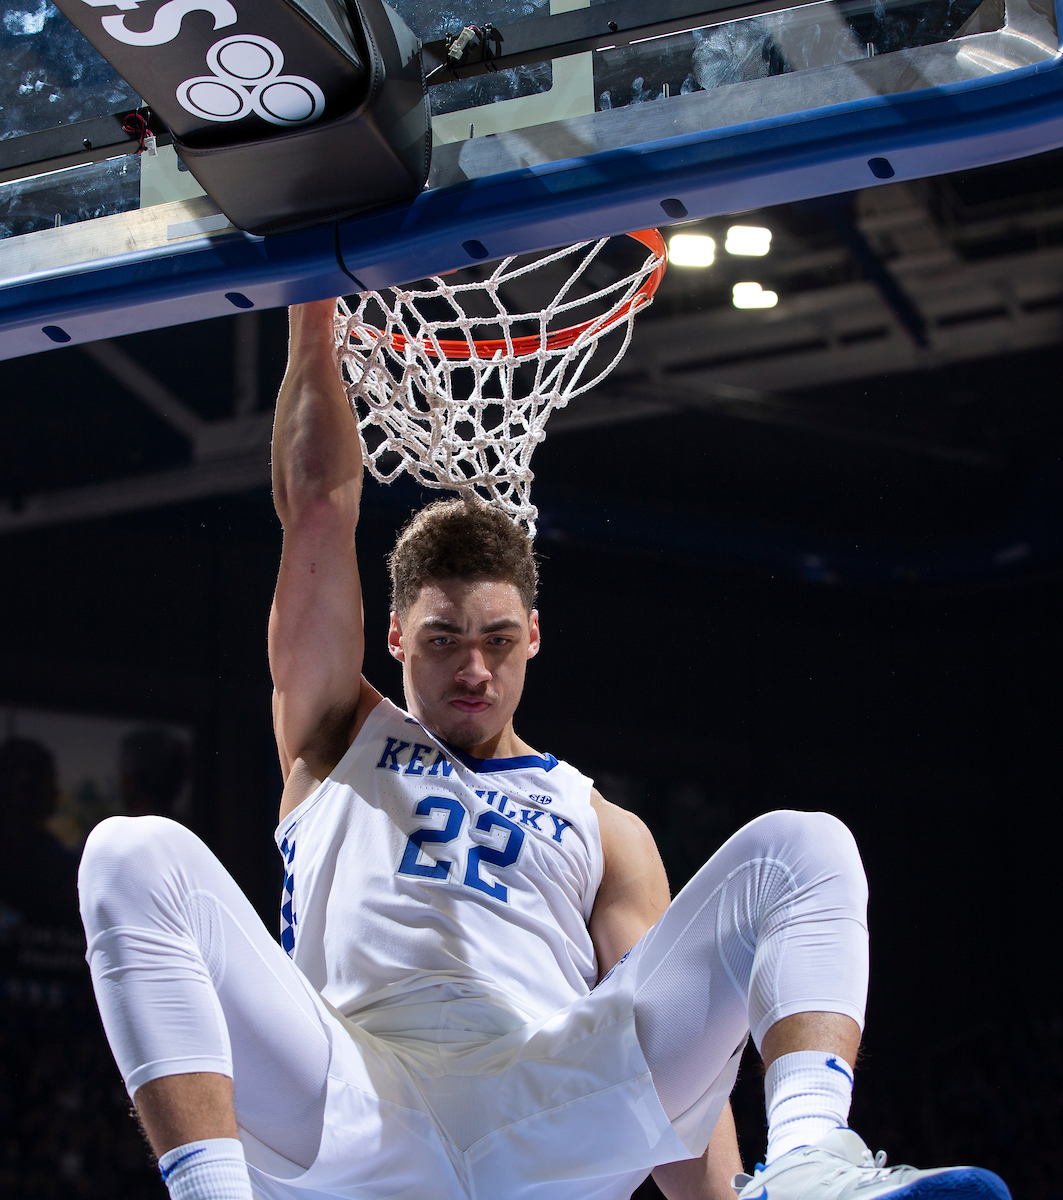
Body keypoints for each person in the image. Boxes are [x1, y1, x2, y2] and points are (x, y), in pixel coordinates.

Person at [77, 301, 1010, 1200]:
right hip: (353, 1104)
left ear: (533, 636)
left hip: (547, 1114)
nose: (472, 666)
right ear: (395, 638)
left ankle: (806, 1160)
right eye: (443, 638)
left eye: (496, 638)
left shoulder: (602, 824)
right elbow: (316, 503)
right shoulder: (336, 731)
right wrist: (311, 311)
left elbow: (674, 1054)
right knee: (128, 852)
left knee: (803, 847)